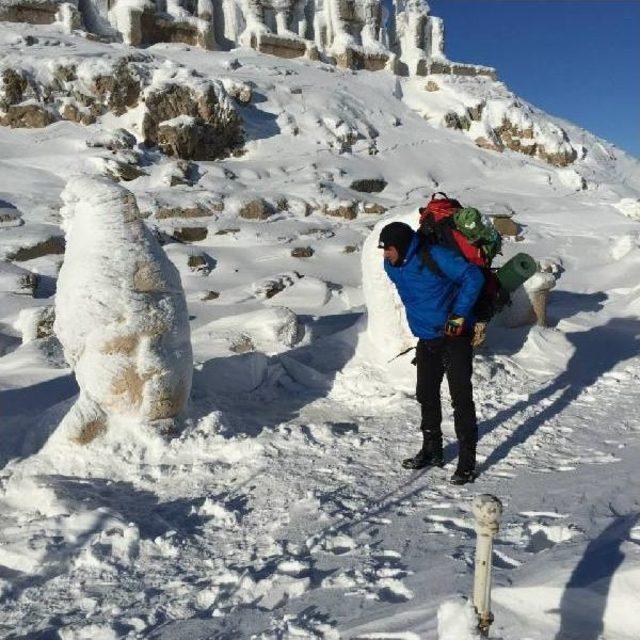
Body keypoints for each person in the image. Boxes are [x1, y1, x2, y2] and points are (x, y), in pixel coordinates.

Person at [378, 221, 484, 485]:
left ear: (401, 246)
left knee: (460, 398)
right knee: (425, 394)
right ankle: (432, 449)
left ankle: (467, 461)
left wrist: (459, 315)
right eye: (383, 249)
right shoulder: (392, 266)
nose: (385, 254)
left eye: (388, 248)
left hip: (454, 336)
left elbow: (473, 276)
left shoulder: (435, 256)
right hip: (427, 338)